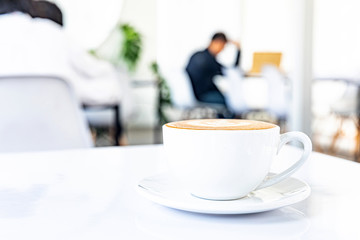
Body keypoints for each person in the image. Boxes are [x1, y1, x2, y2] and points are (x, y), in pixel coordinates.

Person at [186, 32, 241, 108]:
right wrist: (238, 50)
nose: (222, 50)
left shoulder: (198, 55)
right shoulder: (208, 60)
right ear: (217, 43)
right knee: (229, 102)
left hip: (194, 94)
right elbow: (230, 70)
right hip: (203, 95)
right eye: (222, 47)